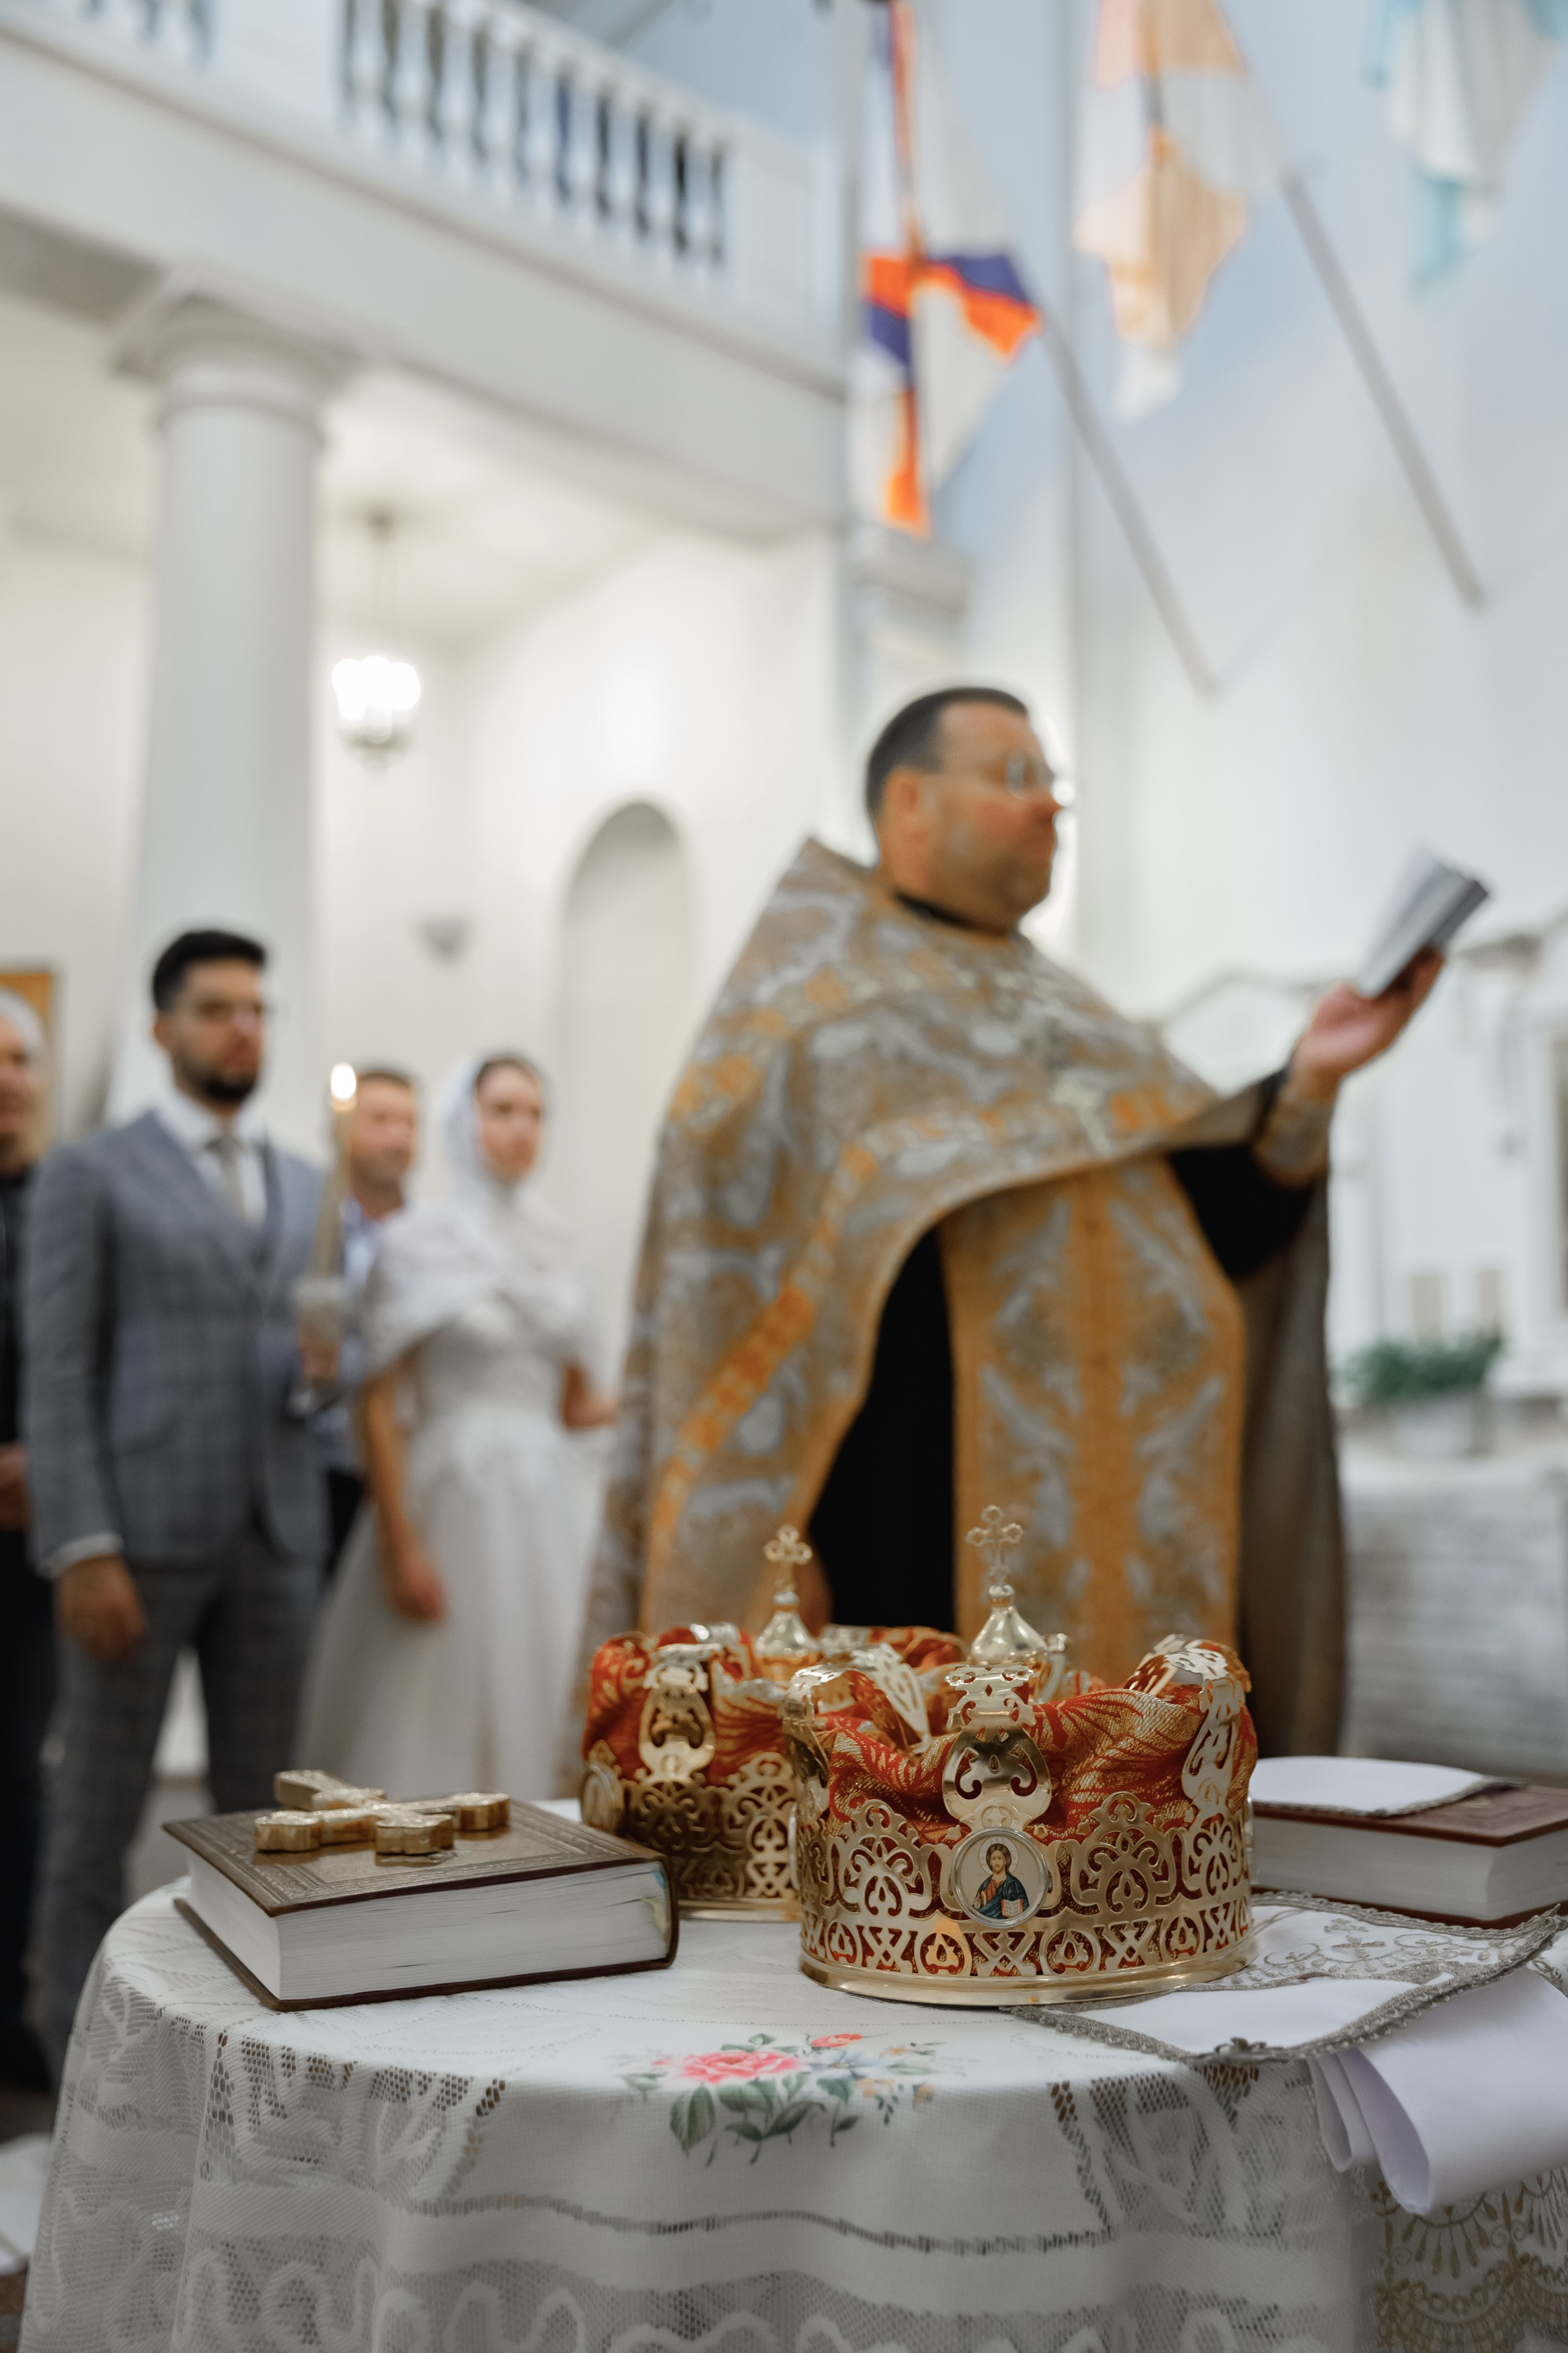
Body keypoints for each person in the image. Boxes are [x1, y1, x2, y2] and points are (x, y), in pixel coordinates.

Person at [581, 687, 1440, 1754]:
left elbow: (1205, 1233)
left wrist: (1307, 1082)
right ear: (910, 802)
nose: (1050, 811)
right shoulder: (807, 1012)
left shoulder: (1075, 1021)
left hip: (1135, 1557)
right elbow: (733, 1272)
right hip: (907, 1544)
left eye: (1055, 786)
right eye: (1015, 777)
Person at [24, 928, 329, 2067]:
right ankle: (79, 2075)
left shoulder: (306, 1180)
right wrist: (82, 1541)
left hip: (277, 1528)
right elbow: (60, 1365)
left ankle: (239, 2060)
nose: (240, 1029)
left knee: (262, 1822)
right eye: (214, 1010)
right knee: (96, 1814)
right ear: (163, 1029)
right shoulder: (92, 1171)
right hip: (137, 1538)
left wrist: (323, 1380)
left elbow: (312, 1353)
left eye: (255, 1010)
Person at [298, 1054, 616, 1799]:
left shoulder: (566, 1248)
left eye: (535, 1113)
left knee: (546, 1680)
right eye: (501, 1109)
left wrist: (660, 1392)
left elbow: (575, 1404)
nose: (520, 1129)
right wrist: (398, 1540)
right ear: (462, 1122)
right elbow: (378, 1401)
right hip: (448, 1494)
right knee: (430, 1703)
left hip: (545, 1499)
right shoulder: (412, 1243)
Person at [0, 990, 52, 2091]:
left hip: (36, 1526)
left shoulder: (69, 1197)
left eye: (19, 1058)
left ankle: (11, 1994)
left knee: (16, 1763)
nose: (6, 1076)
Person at [312, 1068, 420, 1572]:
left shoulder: (433, 1241)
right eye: (379, 1120)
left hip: (410, 1468)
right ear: (341, 1129)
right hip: (325, 1469)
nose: (397, 1137)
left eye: (408, 1123)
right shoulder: (310, 1229)